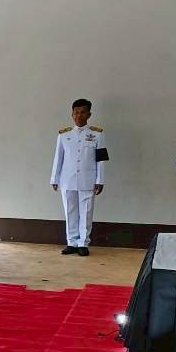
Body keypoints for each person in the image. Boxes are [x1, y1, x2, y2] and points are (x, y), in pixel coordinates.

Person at [50, 98, 107, 257]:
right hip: (67, 179)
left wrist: (100, 180)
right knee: (70, 211)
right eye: (76, 112)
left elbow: (101, 159)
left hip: (88, 179)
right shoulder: (64, 135)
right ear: (72, 114)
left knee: (86, 212)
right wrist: (54, 178)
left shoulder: (97, 134)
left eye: (82, 112)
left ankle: (83, 243)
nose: (79, 115)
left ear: (89, 114)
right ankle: (72, 242)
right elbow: (58, 158)